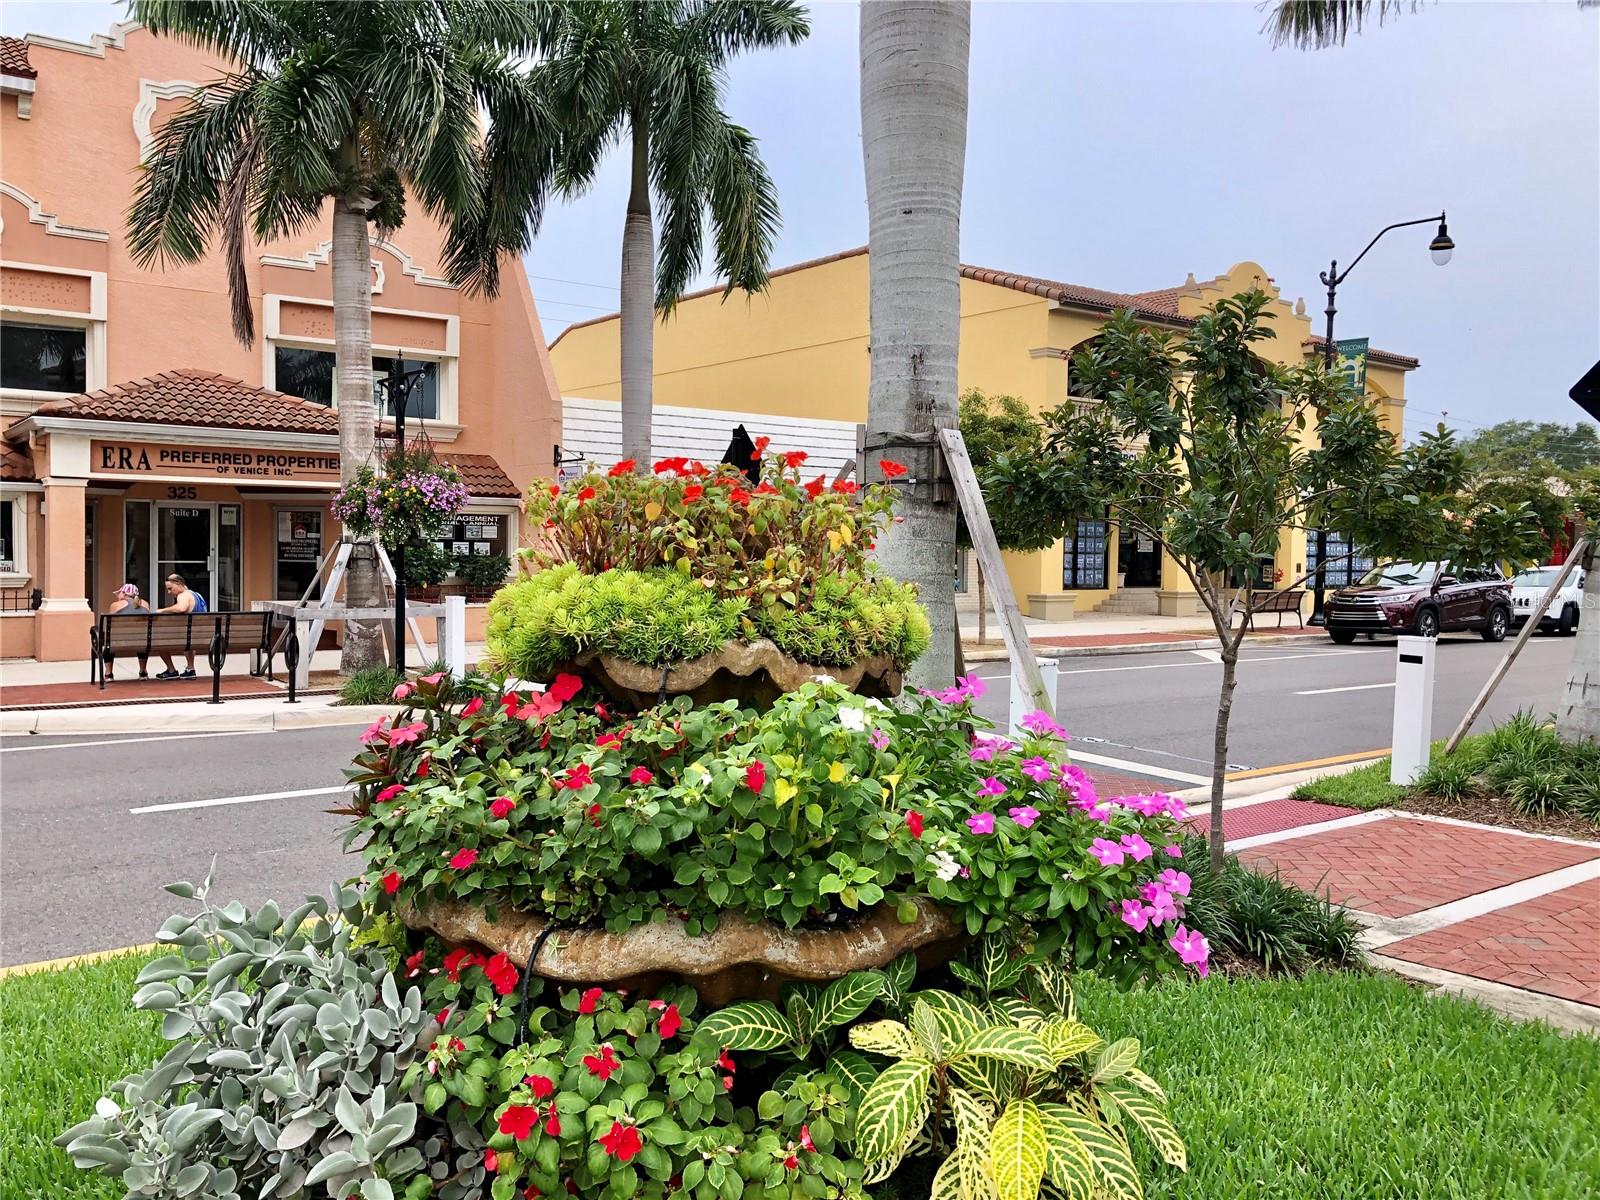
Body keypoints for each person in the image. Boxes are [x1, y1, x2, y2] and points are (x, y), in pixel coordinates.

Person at [154, 573, 207, 679]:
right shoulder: (196, 595)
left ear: (178, 583)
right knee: (189, 636)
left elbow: (182, 608)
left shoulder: (183, 595)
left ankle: (171, 670)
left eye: (170, 588)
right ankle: (190, 669)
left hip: (186, 637)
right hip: (197, 635)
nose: (169, 592)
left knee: (158, 640)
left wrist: (162, 610)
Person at [102, 582, 150, 682]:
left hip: (118, 642)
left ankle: (109, 674)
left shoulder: (115, 605)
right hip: (142, 642)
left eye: (119, 593)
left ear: (123, 593)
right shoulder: (145, 604)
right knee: (141, 638)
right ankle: (143, 672)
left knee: (109, 644)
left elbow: (109, 626)